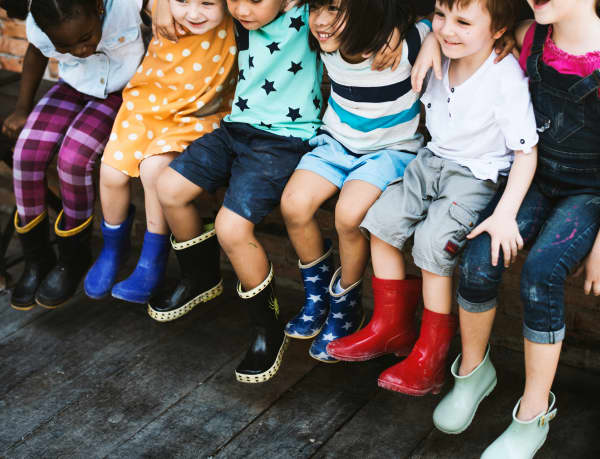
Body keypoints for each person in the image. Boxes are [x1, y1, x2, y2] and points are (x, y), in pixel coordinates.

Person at [331, 0, 539, 399]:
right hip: (432, 159)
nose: (447, 29)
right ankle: (389, 327)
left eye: (463, 21)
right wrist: (431, 36)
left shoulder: (504, 76)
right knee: (382, 222)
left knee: (431, 244)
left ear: (497, 31)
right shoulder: (440, 49)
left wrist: (507, 212)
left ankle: (431, 355)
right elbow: (434, 29)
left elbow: (526, 151)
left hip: (476, 174)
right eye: (442, 16)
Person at [431, 1, 600, 456]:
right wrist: (432, 41)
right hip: (536, 178)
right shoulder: (531, 35)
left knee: (541, 273)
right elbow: (466, 34)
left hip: (590, 194)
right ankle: (473, 372)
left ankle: (533, 410)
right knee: (479, 256)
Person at [148, 0, 323, 383]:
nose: (242, 9)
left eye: (255, 0)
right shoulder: (237, 11)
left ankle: (267, 326)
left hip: (282, 142)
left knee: (231, 227)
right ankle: (201, 276)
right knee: (169, 187)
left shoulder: (308, 14)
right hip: (234, 130)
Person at [280, 0, 431, 363]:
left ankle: (346, 306)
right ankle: (318, 298)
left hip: (390, 152)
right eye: (315, 8)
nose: (321, 21)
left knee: (348, 215)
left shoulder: (407, 41)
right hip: (336, 143)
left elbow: (439, 22)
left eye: (334, 9)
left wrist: (429, 44)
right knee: (294, 205)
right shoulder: (320, 34)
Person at [83, 0, 236, 304]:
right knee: (111, 171)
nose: (193, 13)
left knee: (154, 168)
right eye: (183, 1)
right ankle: (114, 248)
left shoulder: (237, 17)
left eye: (207, 3)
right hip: (146, 104)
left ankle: (152, 259)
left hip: (197, 113)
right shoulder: (161, 8)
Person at [2, 0, 145, 310]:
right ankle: (37, 258)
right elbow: (36, 53)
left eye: (85, 39)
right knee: (25, 153)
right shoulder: (41, 20)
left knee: (74, 157)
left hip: (122, 91)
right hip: (73, 86)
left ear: (98, 8)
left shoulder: (126, 5)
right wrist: (22, 109)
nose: (80, 51)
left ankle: (73, 256)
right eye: (65, 47)